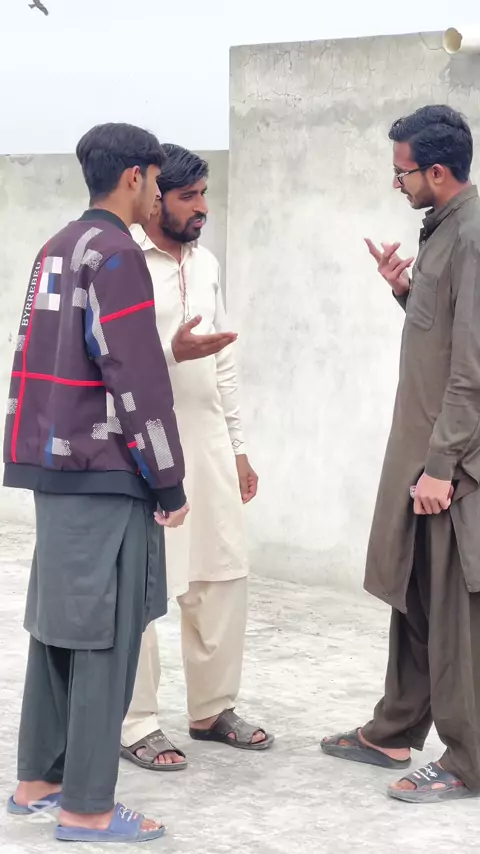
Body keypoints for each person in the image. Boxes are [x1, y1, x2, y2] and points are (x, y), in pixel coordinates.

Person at [3, 123, 189, 843]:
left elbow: (32, 354)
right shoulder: (117, 254)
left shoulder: (56, 246)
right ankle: (86, 808)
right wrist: (168, 480)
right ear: (136, 176)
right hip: (106, 472)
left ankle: (38, 780)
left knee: (56, 630)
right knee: (105, 643)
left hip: (52, 467)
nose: (157, 195)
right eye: (156, 181)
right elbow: (135, 376)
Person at [321, 105, 480, 805]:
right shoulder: (443, 230)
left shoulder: (473, 237)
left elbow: (473, 369)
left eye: (402, 172)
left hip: (453, 462)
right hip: (422, 452)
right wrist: (404, 291)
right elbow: (444, 331)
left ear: (436, 172)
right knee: (412, 596)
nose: (397, 184)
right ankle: (394, 728)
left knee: (453, 615)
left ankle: (467, 761)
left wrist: (443, 467)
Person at [120, 145, 273, 771]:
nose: (202, 207)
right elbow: (109, 359)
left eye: (205, 194)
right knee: (144, 583)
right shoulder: (125, 260)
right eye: (189, 196)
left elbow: (223, 360)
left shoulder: (206, 263)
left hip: (206, 438)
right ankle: (136, 721)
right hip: (143, 442)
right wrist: (170, 352)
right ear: (156, 198)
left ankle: (212, 709)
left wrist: (238, 448)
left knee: (220, 572)